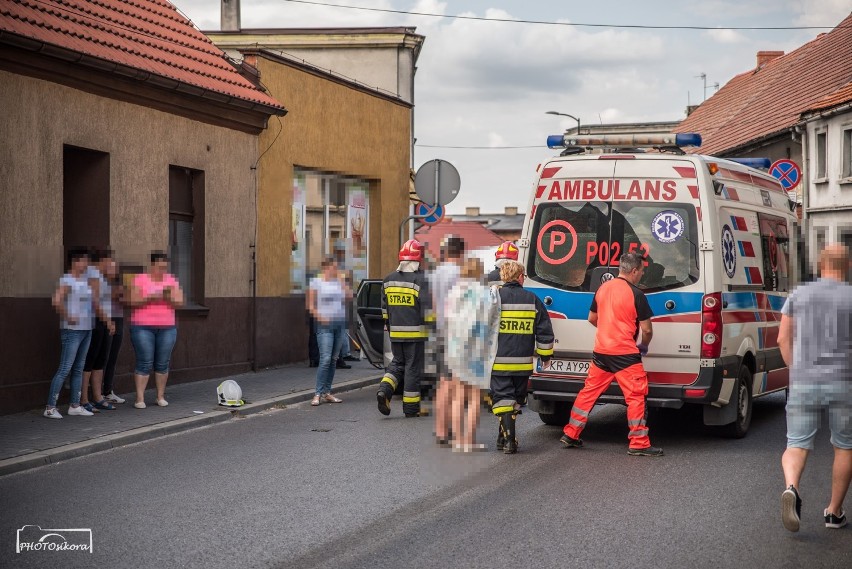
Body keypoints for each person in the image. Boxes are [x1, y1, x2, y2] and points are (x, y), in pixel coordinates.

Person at [778, 244, 852, 532]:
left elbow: (783, 339)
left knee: (796, 444)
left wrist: (795, 372)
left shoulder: (798, 294)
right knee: (845, 446)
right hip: (844, 381)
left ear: (821, 265)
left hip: (805, 380)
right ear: (846, 267)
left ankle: (792, 488)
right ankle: (834, 512)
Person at [560, 252, 663, 457]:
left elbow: (592, 318)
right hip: (625, 354)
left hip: (602, 351)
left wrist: (608, 328)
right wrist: (644, 345)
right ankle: (639, 442)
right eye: (641, 271)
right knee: (636, 396)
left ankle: (571, 433)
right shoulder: (637, 294)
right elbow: (647, 329)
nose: (642, 274)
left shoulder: (603, 288)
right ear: (634, 271)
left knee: (589, 393)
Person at [491, 260, 554, 454]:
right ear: (519, 277)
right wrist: (545, 356)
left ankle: (508, 440)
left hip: (499, 363)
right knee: (515, 400)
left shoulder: (494, 299)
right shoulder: (532, 299)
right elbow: (544, 330)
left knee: (503, 399)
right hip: (523, 364)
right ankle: (504, 438)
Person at [443, 258, 501, 452]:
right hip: (478, 351)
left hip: (456, 349)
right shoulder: (486, 294)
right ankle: (468, 440)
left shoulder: (454, 292)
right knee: (475, 397)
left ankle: (458, 439)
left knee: (459, 396)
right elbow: (494, 320)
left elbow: (446, 320)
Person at [376, 239, 433, 418]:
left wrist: (390, 327)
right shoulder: (420, 280)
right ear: (417, 260)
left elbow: (384, 310)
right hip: (416, 334)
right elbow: (427, 310)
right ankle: (411, 409)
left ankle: (384, 391)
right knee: (412, 369)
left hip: (395, 333)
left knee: (397, 364)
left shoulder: (388, 280)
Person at [44, 248, 95, 418]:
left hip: (87, 329)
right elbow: (56, 300)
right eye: (84, 261)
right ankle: (50, 408)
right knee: (65, 368)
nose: (86, 264)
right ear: (75, 262)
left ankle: (75, 405)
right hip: (72, 330)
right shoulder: (67, 279)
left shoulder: (85, 281)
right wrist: (68, 316)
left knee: (78, 368)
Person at [128, 251, 184, 409]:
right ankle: (140, 398)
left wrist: (169, 298)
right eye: (159, 267)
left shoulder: (171, 280)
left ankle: (160, 396)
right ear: (152, 265)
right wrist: (150, 297)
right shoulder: (140, 279)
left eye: (164, 267)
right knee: (144, 362)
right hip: (142, 326)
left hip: (167, 327)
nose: (162, 270)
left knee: (162, 363)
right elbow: (132, 301)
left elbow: (179, 303)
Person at [429, 235, 466, 444]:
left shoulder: (436, 274)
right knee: (457, 384)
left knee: (443, 383)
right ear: (460, 253)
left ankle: (441, 429)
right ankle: (454, 430)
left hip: (442, 331)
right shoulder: (460, 273)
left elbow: (435, 305)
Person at [307, 256, 351, 406]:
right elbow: (311, 305)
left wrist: (341, 281)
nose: (336, 270)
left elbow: (349, 297)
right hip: (324, 324)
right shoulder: (316, 282)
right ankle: (317, 393)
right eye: (334, 267)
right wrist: (320, 317)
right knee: (325, 359)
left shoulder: (338, 282)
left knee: (333, 359)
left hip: (339, 324)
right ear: (326, 267)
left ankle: (327, 392)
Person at [80, 249, 117, 413]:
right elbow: (95, 302)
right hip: (95, 322)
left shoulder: (101, 276)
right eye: (110, 262)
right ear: (103, 260)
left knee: (100, 360)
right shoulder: (92, 274)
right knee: (90, 360)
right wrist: (108, 321)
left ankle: (98, 397)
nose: (112, 265)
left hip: (102, 322)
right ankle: (84, 399)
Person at [102, 264, 127, 404]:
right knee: (103, 358)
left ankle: (108, 391)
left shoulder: (118, 284)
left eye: (115, 267)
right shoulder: (99, 282)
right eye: (110, 267)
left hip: (118, 319)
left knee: (113, 357)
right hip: (105, 321)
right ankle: (97, 392)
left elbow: (126, 301)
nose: (113, 270)